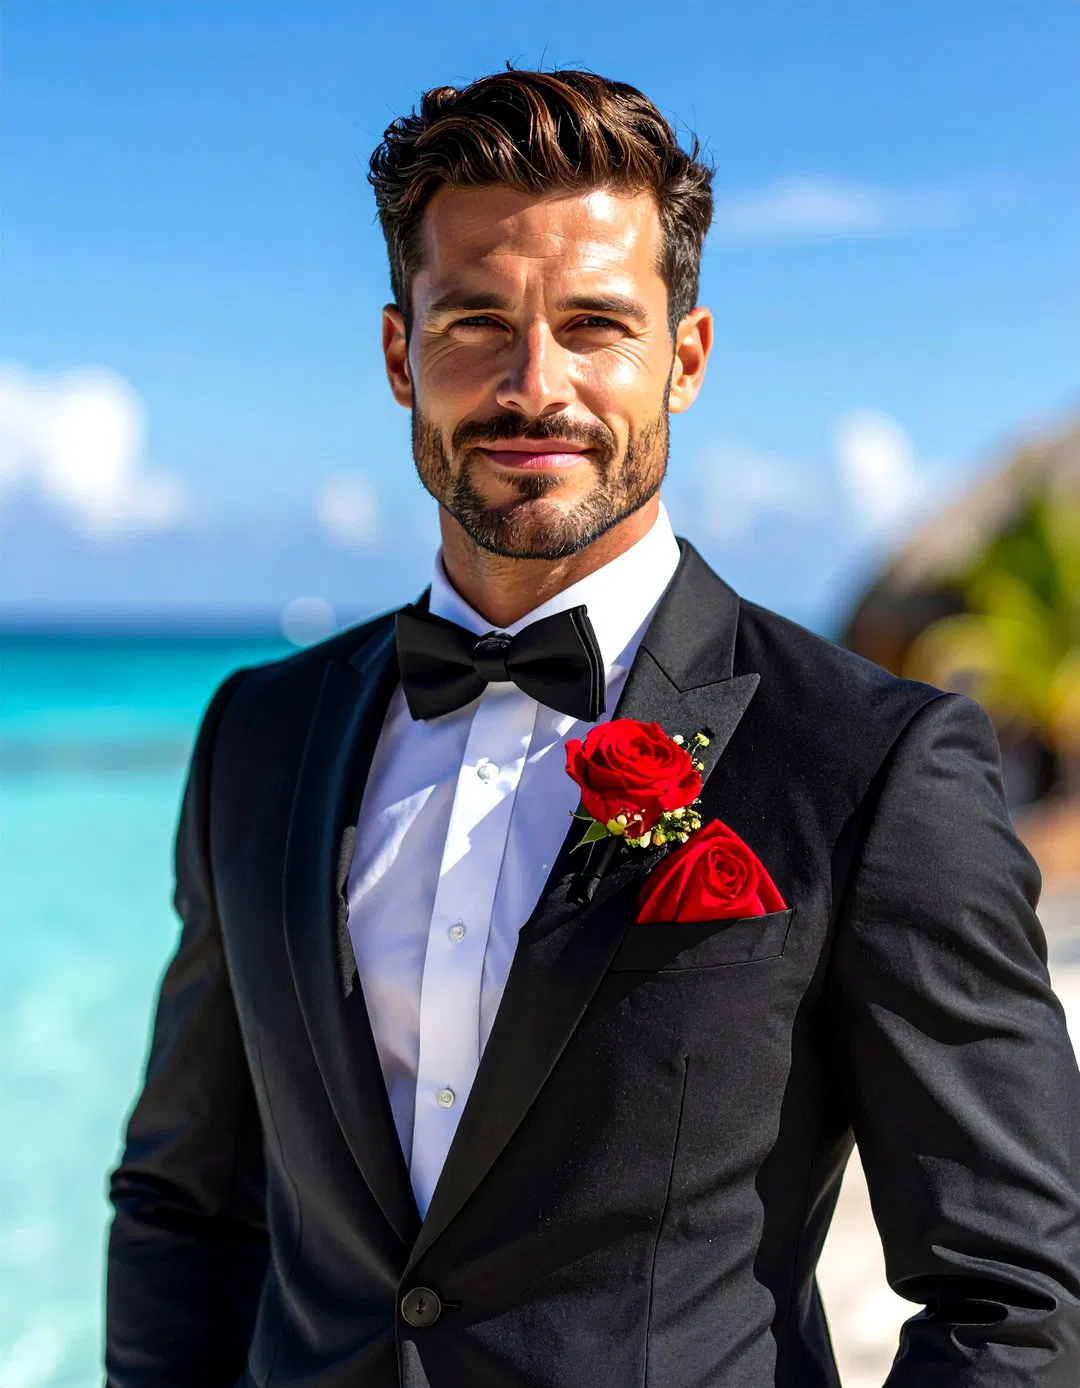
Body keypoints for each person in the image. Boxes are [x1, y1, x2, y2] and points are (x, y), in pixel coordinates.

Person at [105, 67, 1080, 1387]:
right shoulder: (257, 739)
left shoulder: (872, 764)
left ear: (685, 357)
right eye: (474, 321)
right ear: (400, 354)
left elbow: (1016, 1294)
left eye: (594, 324)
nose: (534, 384)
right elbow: (186, 1204)